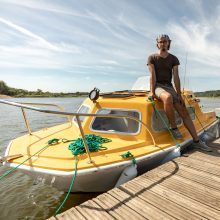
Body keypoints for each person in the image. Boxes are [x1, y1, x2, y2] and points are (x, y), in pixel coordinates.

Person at [147, 34, 212, 152]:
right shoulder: (152, 58)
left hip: (169, 86)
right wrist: (152, 91)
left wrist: (179, 94)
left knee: (183, 111)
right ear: (157, 44)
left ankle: (197, 141)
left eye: (165, 42)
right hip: (158, 86)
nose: (163, 44)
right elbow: (152, 76)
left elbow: (176, 76)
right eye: (160, 42)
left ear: (168, 43)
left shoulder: (173, 58)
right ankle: (174, 127)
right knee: (167, 98)